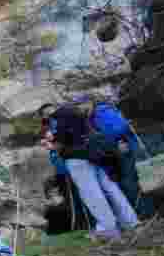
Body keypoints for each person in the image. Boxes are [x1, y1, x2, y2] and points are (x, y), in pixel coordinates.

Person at [39, 103, 138, 241]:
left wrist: (51, 145)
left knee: (92, 193)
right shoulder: (76, 112)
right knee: (110, 188)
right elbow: (79, 134)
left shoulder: (59, 118)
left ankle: (107, 229)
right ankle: (130, 222)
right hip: (94, 155)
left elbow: (63, 143)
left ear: (46, 114)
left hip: (77, 159)